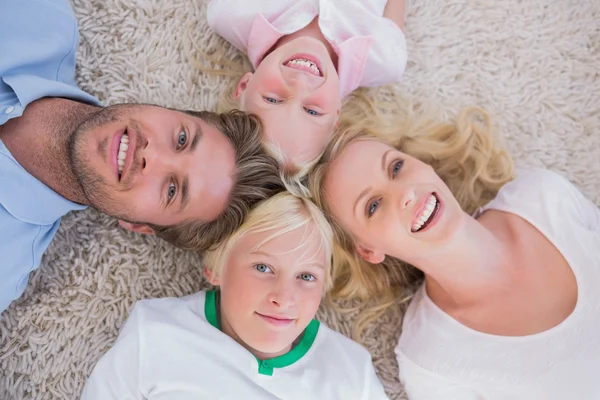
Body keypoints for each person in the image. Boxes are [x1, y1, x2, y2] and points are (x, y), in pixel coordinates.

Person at [0, 0, 284, 314]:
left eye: (173, 190)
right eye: (181, 138)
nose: (152, 156)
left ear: (139, 227)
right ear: (168, 110)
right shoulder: (41, 19)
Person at [306, 105, 600, 399]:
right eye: (374, 205)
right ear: (368, 250)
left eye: (396, 168)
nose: (406, 193)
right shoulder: (432, 363)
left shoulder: (543, 196)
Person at [80, 192, 389, 400]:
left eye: (306, 276)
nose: (284, 297)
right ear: (217, 269)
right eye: (263, 267)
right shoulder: (155, 333)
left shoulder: (350, 373)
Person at [206, 0, 408, 182]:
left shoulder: (231, 14)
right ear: (336, 116)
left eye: (273, 99)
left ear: (243, 87)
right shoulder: (384, 60)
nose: (300, 83)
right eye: (312, 111)